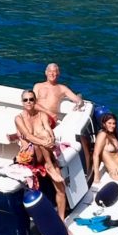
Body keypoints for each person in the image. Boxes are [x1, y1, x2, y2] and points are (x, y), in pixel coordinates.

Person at [14, 89, 69, 219]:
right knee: (40, 136)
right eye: (25, 100)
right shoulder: (19, 118)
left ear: (35, 101)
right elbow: (28, 136)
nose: (28, 102)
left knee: (61, 190)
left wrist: (51, 139)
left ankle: (61, 220)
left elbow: (50, 131)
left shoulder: (42, 115)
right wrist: (45, 142)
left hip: (45, 152)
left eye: (31, 99)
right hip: (30, 155)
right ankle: (49, 166)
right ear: (22, 102)